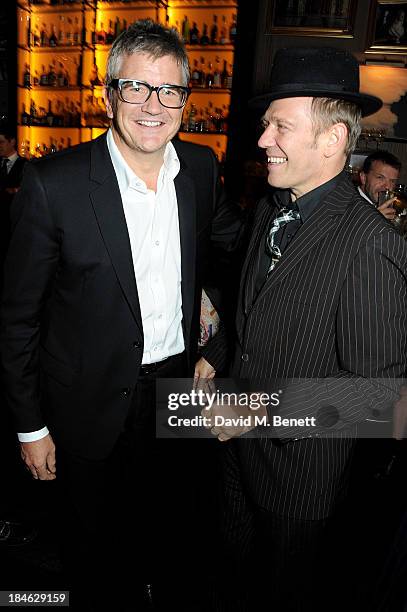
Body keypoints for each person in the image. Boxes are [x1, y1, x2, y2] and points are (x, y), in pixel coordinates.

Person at [0, 19, 241, 610]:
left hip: (176, 394)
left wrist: (212, 344)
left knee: (170, 535)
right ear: (109, 96)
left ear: (187, 98)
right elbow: (18, 319)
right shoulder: (52, 183)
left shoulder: (203, 170)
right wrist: (31, 428)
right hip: (85, 403)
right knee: (94, 553)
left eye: (169, 91)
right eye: (137, 88)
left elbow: (228, 257)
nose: (154, 106)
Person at [195, 47, 407, 610]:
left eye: (280, 127)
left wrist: (255, 415)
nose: (263, 140)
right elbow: (255, 308)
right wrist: (217, 352)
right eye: (266, 125)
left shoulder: (371, 244)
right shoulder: (271, 203)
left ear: (334, 138)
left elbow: (379, 400)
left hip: (295, 479)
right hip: (232, 454)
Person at [0, 125, 27, 281]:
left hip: (14, 229)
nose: (0, 146)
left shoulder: (26, 166)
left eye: (2, 142)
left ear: (12, 142)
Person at [359, 150, 401, 220]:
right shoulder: (347, 203)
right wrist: (375, 220)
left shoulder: (393, 205)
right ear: (363, 178)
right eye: (380, 177)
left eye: (392, 181)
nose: (387, 186)